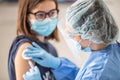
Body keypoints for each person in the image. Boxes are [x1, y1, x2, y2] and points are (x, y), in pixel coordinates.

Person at [23, 0, 120, 80]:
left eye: (72, 35)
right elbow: (81, 75)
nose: (70, 38)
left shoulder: (98, 73)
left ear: (89, 34)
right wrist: (58, 64)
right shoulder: (112, 49)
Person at [7, 0, 68, 80]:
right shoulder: (27, 49)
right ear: (26, 16)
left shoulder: (51, 49)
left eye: (52, 13)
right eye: (40, 15)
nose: (48, 19)